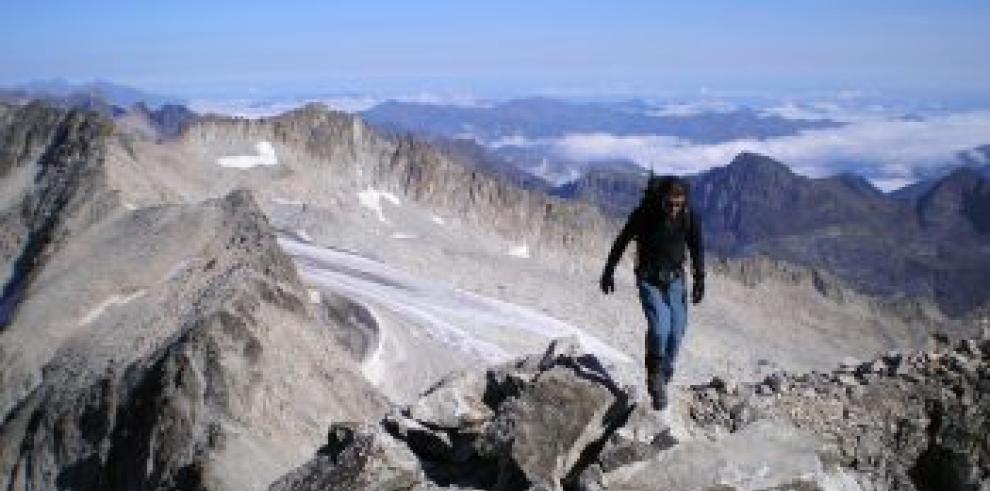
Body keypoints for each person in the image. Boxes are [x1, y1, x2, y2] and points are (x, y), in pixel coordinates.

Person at [600, 175, 704, 410]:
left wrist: (700, 280)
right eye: (670, 204)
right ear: (660, 200)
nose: (674, 210)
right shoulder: (644, 216)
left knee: (676, 331)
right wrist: (609, 270)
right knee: (660, 328)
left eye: (679, 204)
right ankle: (655, 374)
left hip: (676, 280)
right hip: (649, 279)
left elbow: (697, 247)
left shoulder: (689, 217)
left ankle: (665, 369)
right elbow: (622, 240)